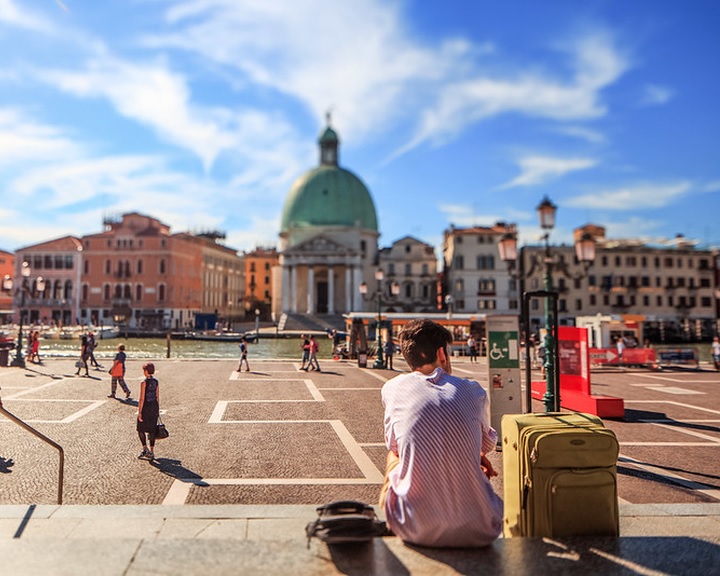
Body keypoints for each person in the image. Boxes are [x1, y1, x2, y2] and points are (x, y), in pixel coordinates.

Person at [379, 319, 503, 548]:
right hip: (483, 529)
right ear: (441, 354)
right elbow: (487, 444)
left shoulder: (392, 389)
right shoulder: (474, 391)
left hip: (414, 529)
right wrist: (475, 452)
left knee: (393, 456)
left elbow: (395, 447)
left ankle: (394, 518)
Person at [137, 362, 160, 461]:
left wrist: (140, 412)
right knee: (152, 430)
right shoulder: (156, 382)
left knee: (140, 428)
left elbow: (142, 398)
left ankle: (144, 448)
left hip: (146, 406)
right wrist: (157, 409)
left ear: (146, 371)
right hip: (154, 406)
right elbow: (157, 396)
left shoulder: (143, 383)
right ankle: (152, 451)